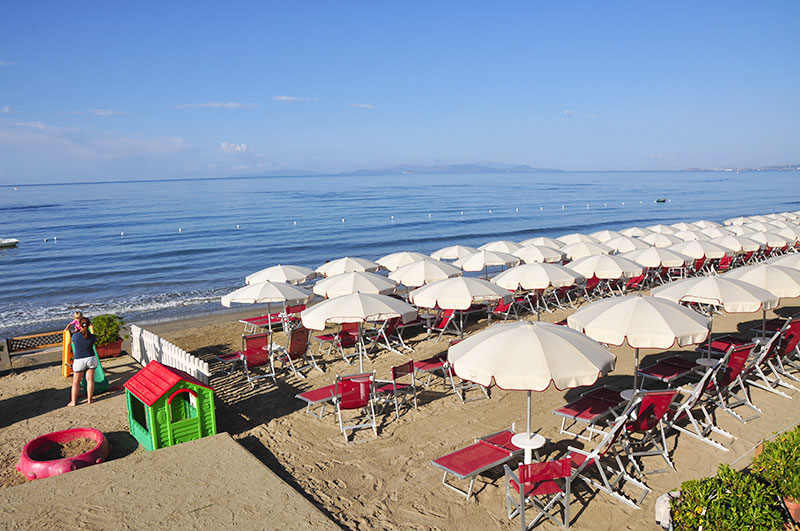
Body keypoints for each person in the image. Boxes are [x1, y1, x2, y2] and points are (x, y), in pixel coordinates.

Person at [67, 317, 97, 407]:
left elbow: (73, 341)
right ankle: (89, 399)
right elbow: (91, 337)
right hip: (91, 358)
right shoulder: (92, 336)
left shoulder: (75, 336)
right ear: (89, 325)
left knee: (76, 382)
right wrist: (92, 328)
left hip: (79, 359)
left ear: (79, 325)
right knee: (90, 380)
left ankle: (73, 401)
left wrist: (76, 330)